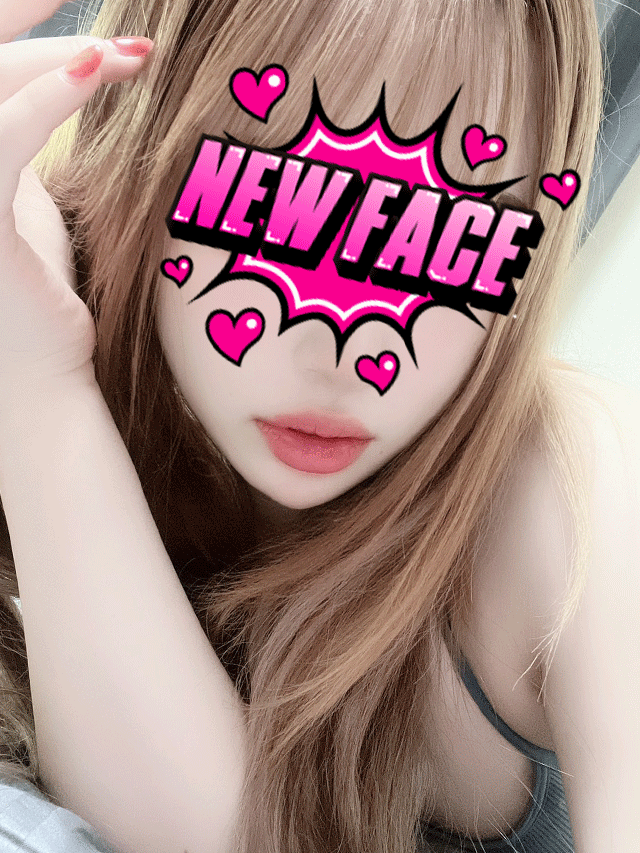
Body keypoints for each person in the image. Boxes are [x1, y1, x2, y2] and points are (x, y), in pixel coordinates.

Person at [0, 1, 637, 852]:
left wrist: (42, 395)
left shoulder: (569, 489)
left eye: (443, 241)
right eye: (267, 207)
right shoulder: (33, 301)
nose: (337, 352)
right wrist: (39, 381)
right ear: (140, 146)